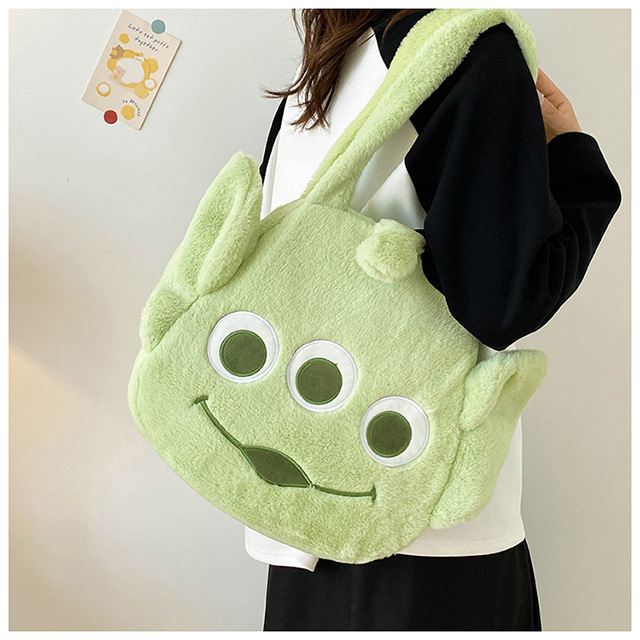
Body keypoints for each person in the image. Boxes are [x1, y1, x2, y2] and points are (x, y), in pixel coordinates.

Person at [250, 9, 622, 632]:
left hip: (299, 518)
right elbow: (504, 301)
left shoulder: (318, 75)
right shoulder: (469, 47)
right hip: (428, 522)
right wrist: (575, 162)